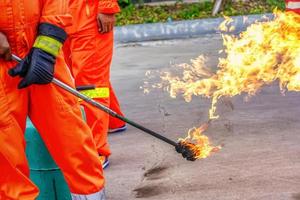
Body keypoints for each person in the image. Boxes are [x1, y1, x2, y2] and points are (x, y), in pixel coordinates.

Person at [0, 0, 106, 199]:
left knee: (72, 136)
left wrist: (46, 47)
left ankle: (91, 195)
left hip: (41, 49)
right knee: (5, 152)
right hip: (3, 59)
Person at [64, 0, 126, 168]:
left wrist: (106, 8)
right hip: (60, 18)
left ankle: (96, 149)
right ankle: (113, 120)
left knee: (90, 86)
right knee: (85, 78)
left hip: (87, 18)